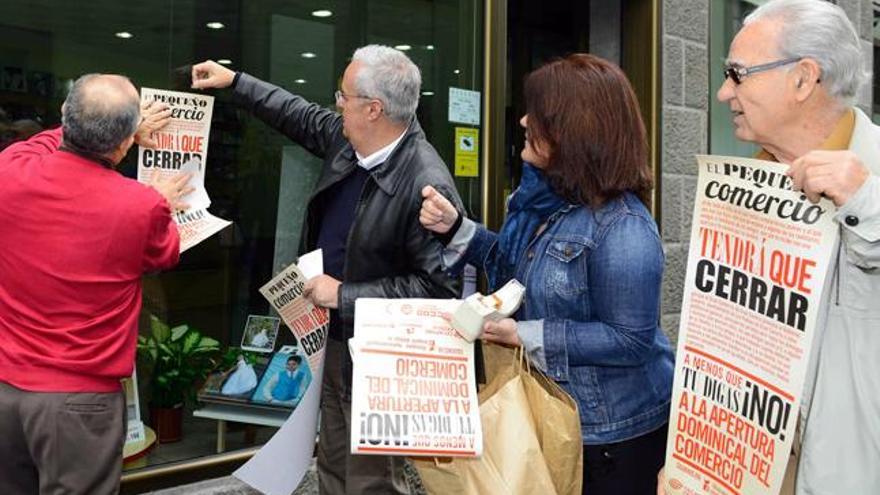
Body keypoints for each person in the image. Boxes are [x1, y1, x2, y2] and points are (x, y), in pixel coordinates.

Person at [191, 45, 463, 494]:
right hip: (335, 343)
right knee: (334, 463)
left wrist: (345, 294)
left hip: (379, 357)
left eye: (343, 96)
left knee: (371, 480)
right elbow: (296, 114)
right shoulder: (350, 139)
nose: (336, 105)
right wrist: (235, 82)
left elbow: (437, 289)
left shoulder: (424, 182)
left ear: (374, 109)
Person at [420, 53, 675, 495]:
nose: (522, 121)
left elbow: (630, 340)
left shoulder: (623, 228)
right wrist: (457, 231)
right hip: (560, 418)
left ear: (570, 129)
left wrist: (523, 335)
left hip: (612, 438)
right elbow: (514, 268)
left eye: (535, 114)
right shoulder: (554, 202)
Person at [658, 1, 880, 493]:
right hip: (751, 469)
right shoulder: (746, 187)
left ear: (803, 79)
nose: (723, 93)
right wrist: (690, 464)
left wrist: (866, 201)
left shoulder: (873, 175)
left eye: (737, 74)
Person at [0, 74, 192, 494]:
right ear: (125, 143)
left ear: (64, 118)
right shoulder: (141, 205)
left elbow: (46, 142)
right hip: (80, 404)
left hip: (7, 388)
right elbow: (166, 254)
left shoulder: (8, 172)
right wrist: (161, 199)